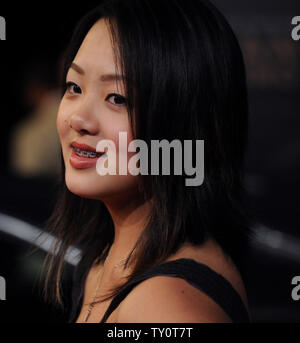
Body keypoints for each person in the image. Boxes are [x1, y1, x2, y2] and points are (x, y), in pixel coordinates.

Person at [43, 0, 253, 323]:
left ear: (185, 123)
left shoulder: (165, 307)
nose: (79, 118)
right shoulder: (105, 257)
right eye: (74, 87)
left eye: (117, 98)